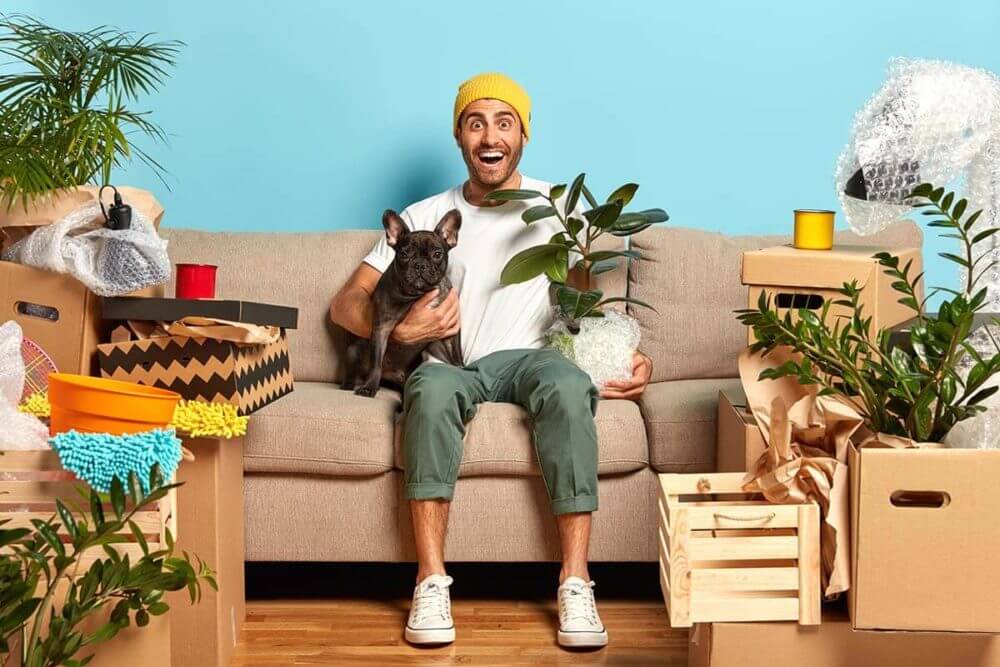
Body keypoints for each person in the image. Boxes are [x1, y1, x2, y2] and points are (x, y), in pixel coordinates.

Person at [329, 72, 653, 649]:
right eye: (475, 122)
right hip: (448, 366)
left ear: (523, 135)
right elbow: (345, 303)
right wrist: (403, 328)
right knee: (425, 392)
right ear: (459, 136)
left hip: (531, 360)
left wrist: (620, 356)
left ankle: (576, 583)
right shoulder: (426, 213)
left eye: (504, 122)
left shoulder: (558, 210)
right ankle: (430, 582)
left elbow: (585, 305)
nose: (489, 136)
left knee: (568, 387)